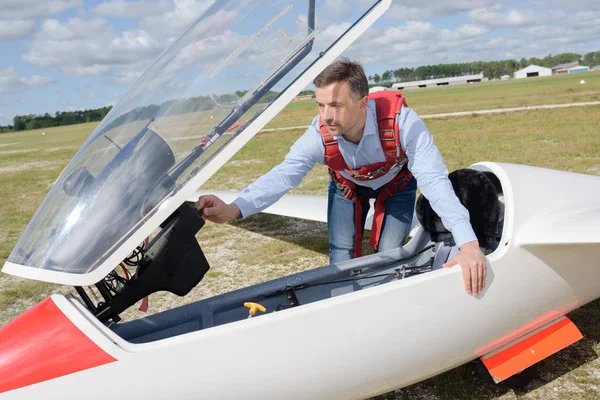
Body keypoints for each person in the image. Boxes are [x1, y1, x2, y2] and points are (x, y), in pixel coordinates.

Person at [196, 59, 487, 295]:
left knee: (389, 255)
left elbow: (435, 182)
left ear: (362, 104)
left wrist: (468, 244)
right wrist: (234, 209)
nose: (326, 116)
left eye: (335, 106)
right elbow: (283, 175)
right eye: (320, 105)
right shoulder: (318, 135)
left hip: (397, 186)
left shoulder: (403, 123)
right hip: (346, 187)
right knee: (341, 257)